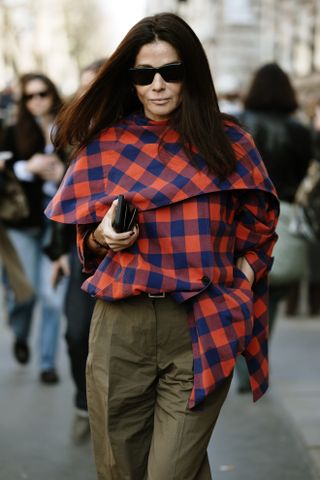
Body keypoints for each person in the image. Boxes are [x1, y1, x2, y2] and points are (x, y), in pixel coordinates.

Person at [46, 13, 279, 480]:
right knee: (122, 472)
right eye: (143, 75)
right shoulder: (106, 145)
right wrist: (102, 237)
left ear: (190, 73)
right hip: (120, 328)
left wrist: (242, 280)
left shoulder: (230, 142)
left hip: (202, 320)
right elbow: (86, 244)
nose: (157, 85)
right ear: (129, 81)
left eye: (170, 72)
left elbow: (261, 230)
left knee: (172, 471)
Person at [235, 63, 313, 391]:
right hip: (285, 217)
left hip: (244, 218)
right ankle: (257, 358)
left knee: (241, 291)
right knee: (273, 297)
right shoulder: (300, 131)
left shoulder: (240, 126)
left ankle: (242, 366)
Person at [0, 73, 66, 383]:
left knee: (52, 298)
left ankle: (46, 364)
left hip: (58, 226)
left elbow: (84, 169)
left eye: (42, 93)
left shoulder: (69, 129)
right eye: (29, 96)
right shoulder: (13, 131)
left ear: (53, 94)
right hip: (22, 224)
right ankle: (20, 332)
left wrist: (62, 174)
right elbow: (4, 164)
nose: (37, 100)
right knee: (23, 294)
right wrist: (28, 167)